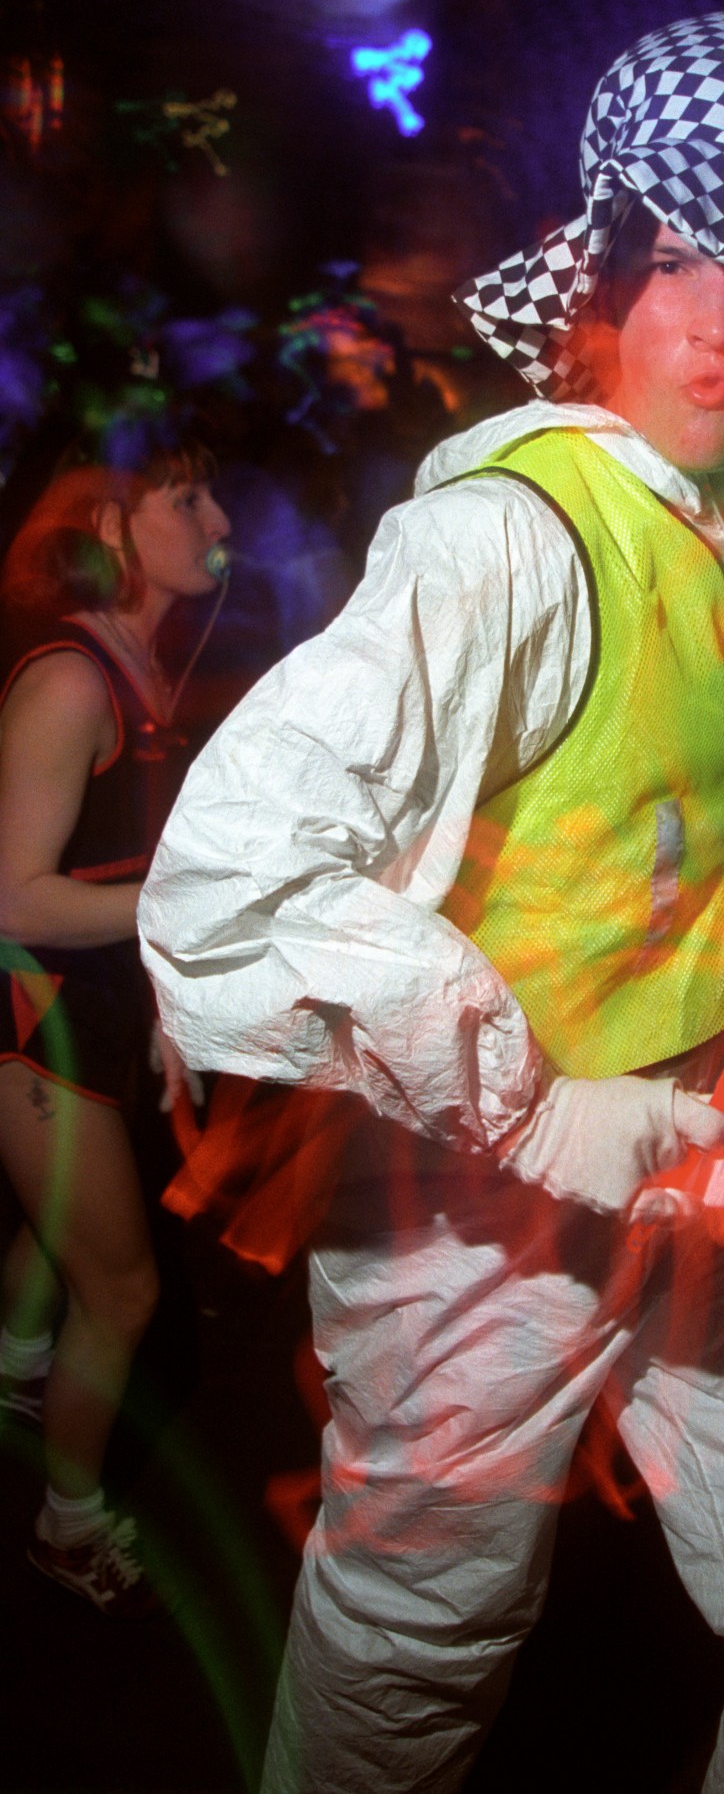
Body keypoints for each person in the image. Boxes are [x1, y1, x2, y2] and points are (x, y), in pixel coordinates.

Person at [141, 6, 724, 1793]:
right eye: (681, 257)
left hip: (720, 1093)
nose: (722, 319)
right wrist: (527, 1109)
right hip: (471, 1187)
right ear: (604, 266)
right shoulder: (504, 535)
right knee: (416, 1639)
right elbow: (228, 881)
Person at [0, 434, 230, 1614]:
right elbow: (12, 892)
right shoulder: (73, 679)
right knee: (125, 1290)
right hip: (34, 1023)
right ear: (108, 531)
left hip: (94, 1009)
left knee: (65, 1226)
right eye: (183, 497)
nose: (216, 515)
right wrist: (180, 903)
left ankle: (17, 1372)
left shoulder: (145, 666)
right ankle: (65, 1522)